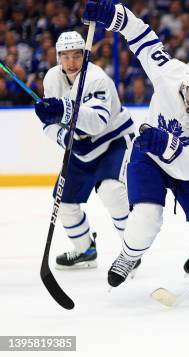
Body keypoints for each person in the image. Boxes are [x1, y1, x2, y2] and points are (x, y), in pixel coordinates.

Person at [83, 0, 189, 292]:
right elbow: (142, 37)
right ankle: (129, 256)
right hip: (148, 158)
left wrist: (167, 144)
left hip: (185, 169)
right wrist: (112, 14)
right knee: (146, 217)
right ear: (185, 85)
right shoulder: (169, 74)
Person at [34, 31, 135, 270]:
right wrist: (63, 134)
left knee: (112, 192)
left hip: (113, 141)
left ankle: (131, 253)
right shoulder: (52, 78)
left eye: (76, 56)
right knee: (64, 203)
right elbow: (50, 125)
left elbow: (98, 122)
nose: (71, 62)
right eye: (65, 56)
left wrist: (64, 109)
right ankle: (85, 250)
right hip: (80, 147)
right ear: (58, 57)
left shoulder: (97, 79)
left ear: (85, 56)